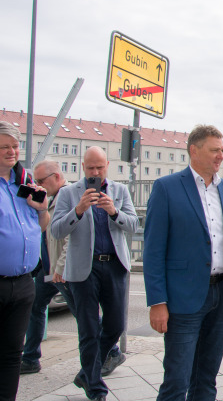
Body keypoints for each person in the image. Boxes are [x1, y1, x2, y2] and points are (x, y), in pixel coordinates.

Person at [144, 125, 223, 400]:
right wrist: (157, 302)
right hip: (183, 299)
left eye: (222, 150)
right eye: (215, 150)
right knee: (177, 381)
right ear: (194, 150)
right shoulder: (166, 188)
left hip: (221, 294)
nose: (221, 156)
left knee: (207, 379)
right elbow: (153, 251)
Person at [51, 146, 139, 401]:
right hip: (83, 269)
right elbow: (56, 231)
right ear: (83, 167)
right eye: (90, 168)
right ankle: (96, 386)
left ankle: (86, 373)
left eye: (100, 167)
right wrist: (78, 210)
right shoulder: (69, 193)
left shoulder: (120, 191)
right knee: (88, 329)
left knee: (115, 325)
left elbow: (133, 224)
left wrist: (113, 211)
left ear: (107, 166)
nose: (95, 172)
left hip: (114, 265)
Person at [21, 160, 124, 376]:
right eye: (35, 180)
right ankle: (31, 357)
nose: (38, 184)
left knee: (85, 317)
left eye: (41, 180)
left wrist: (61, 267)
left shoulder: (70, 195)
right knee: (36, 307)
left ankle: (111, 352)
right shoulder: (48, 198)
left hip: (64, 270)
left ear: (56, 177)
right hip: (47, 268)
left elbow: (73, 238)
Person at [0, 121, 48, 400]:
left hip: (23, 284)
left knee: (11, 355)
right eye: (4, 147)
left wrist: (42, 209)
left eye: (15, 146)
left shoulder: (26, 182)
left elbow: (41, 225)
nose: (11, 151)